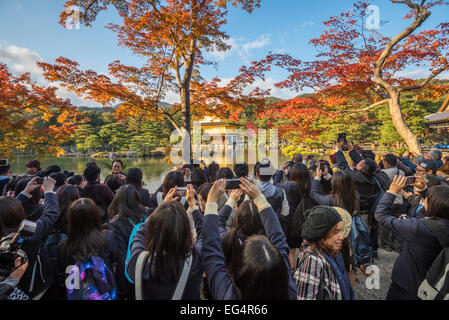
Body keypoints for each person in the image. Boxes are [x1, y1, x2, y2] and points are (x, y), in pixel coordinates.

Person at [201, 178, 297, 300]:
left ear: (241, 270)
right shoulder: (288, 289)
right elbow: (279, 239)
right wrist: (259, 197)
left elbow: (211, 252)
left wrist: (211, 201)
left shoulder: (229, 295)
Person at [375, 175, 449, 300]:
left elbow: (381, 215)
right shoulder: (440, 222)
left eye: (426, 199)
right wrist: (424, 190)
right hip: (433, 281)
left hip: (408, 283)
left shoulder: (418, 228)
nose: (424, 200)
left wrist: (392, 191)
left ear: (430, 205)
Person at [126, 186, 204, 300]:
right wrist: (193, 206)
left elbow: (140, 234)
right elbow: (204, 234)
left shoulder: (137, 263)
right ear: (185, 232)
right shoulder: (194, 262)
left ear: (153, 230)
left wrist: (162, 207)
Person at [1, 177, 59, 299]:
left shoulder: (6, 231)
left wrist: (25, 192)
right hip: (34, 283)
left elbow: (5, 211)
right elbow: (51, 214)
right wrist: (49, 192)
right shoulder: (24, 232)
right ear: (18, 212)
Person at [58, 198, 118, 299]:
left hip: (77, 292)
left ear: (71, 220)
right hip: (104, 290)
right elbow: (114, 261)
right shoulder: (108, 237)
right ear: (95, 217)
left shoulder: (64, 245)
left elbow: (65, 272)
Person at [295, 206, 355, 300]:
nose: (341, 237)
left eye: (341, 230)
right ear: (322, 233)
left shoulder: (332, 252)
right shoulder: (312, 261)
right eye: (336, 232)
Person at [107, 185, 148, 300]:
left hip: (129, 273)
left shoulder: (116, 223)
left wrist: (122, 288)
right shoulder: (146, 216)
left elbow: (122, 255)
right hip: (148, 268)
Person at [254, 159, 290, 237]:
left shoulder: (251, 192)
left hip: (256, 230)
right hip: (275, 229)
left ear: (256, 174)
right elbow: (285, 212)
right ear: (272, 174)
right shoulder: (280, 191)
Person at [380, 153, 405, 252]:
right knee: (397, 224)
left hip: (388, 201)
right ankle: (397, 245)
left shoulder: (383, 173)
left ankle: (386, 245)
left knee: (385, 224)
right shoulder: (401, 172)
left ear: (385, 162)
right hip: (400, 201)